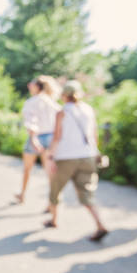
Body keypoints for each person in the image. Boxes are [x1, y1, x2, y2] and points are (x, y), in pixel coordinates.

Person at [45, 80, 108, 241]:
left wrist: (51, 156)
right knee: (87, 193)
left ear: (64, 96)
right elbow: (94, 135)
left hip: (66, 157)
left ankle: (54, 220)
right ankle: (100, 224)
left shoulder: (62, 112)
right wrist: (94, 152)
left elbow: (57, 136)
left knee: (55, 190)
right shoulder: (88, 110)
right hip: (87, 156)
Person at [16, 75, 61, 204]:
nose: (29, 86)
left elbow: (31, 122)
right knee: (50, 172)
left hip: (36, 136)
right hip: (51, 137)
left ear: (37, 86)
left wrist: (33, 139)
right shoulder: (53, 103)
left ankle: (22, 195)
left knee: (27, 169)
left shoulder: (31, 102)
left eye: (31, 83)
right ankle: (52, 202)